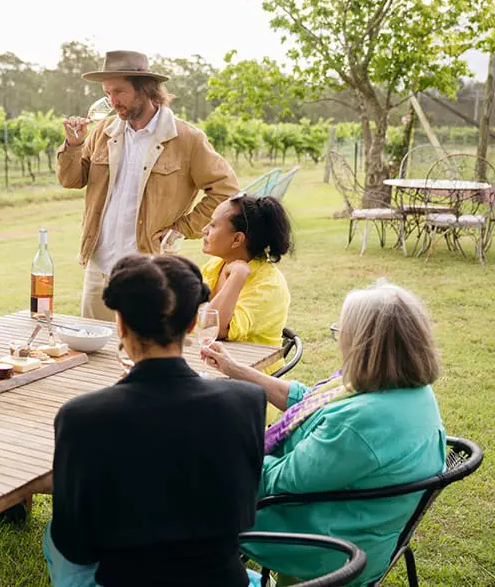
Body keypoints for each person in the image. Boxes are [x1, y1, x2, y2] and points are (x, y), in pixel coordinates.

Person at [202, 282, 446, 585]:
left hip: (328, 543)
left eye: (340, 332)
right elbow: (307, 401)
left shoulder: (359, 424)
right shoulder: (403, 389)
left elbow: (279, 481)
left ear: (365, 345)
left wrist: (221, 444)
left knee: (185, 498)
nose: (339, 340)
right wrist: (236, 369)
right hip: (355, 521)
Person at [44, 254, 266, 586]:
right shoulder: (248, 400)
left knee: (52, 534)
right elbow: (244, 515)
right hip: (223, 580)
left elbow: (76, 545)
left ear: (119, 324)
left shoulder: (81, 418)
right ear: (192, 324)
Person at [57, 50, 239, 321]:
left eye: (119, 92)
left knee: (141, 354)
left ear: (145, 89)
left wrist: (181, 229)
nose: (113, 101)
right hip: (99, 267)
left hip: (150, 269)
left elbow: (227, 191)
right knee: (92, 355)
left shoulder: (186, 138)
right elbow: (71, 180)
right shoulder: (103, 133)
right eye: (107, 93)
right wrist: (74, 144)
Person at [200, 194, 292, 356]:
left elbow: (214, 329)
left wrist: (238, 275)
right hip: (210, 364)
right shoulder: (216, 265)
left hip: (249, 373)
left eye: (213, 225)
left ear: (237, 239)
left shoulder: (268, 285)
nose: (204, 230)